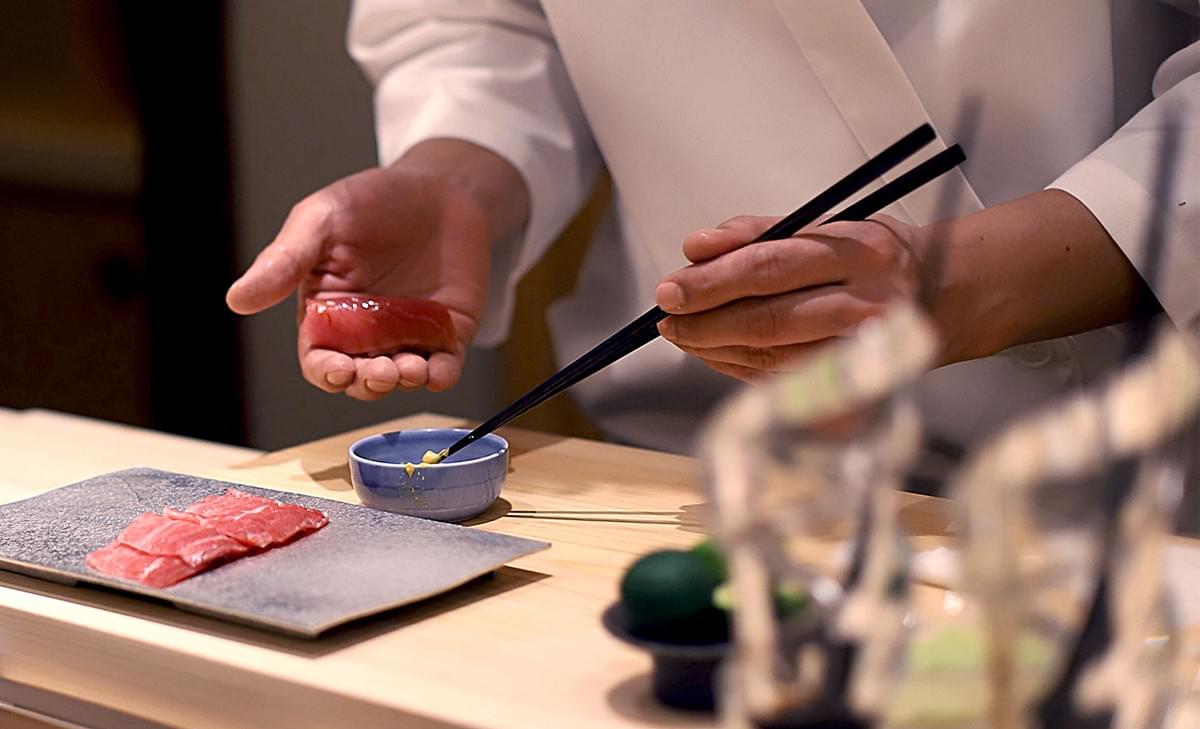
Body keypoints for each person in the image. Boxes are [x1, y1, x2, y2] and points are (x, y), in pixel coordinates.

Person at [226, 1, 1200, 489]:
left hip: (1139, 472)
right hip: (692, 476)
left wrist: (982, 281)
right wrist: (456, 175)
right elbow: (478, 14)